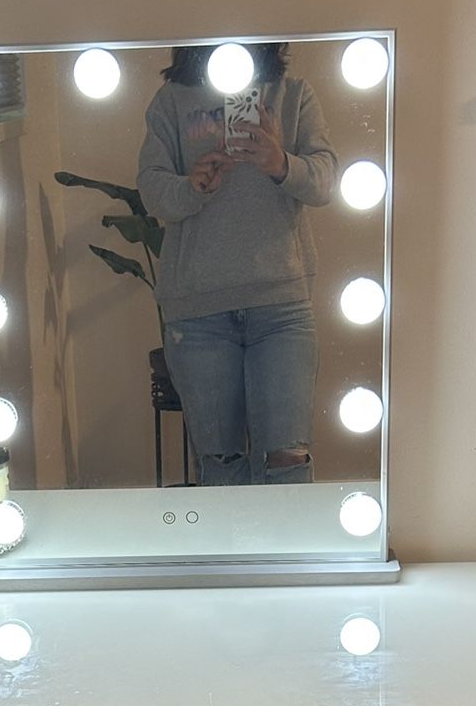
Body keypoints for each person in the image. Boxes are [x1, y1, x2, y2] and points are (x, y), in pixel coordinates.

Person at [136, 44, 337, 485]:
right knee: (220, 465)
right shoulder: (172, 100)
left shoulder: (292, 94)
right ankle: (231, 557)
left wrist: (278, 162)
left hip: (281, 306)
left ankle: (287, 556)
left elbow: (325, 182)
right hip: (197, 310)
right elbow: (152, 191)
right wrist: (193, 187)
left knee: (288, 459)